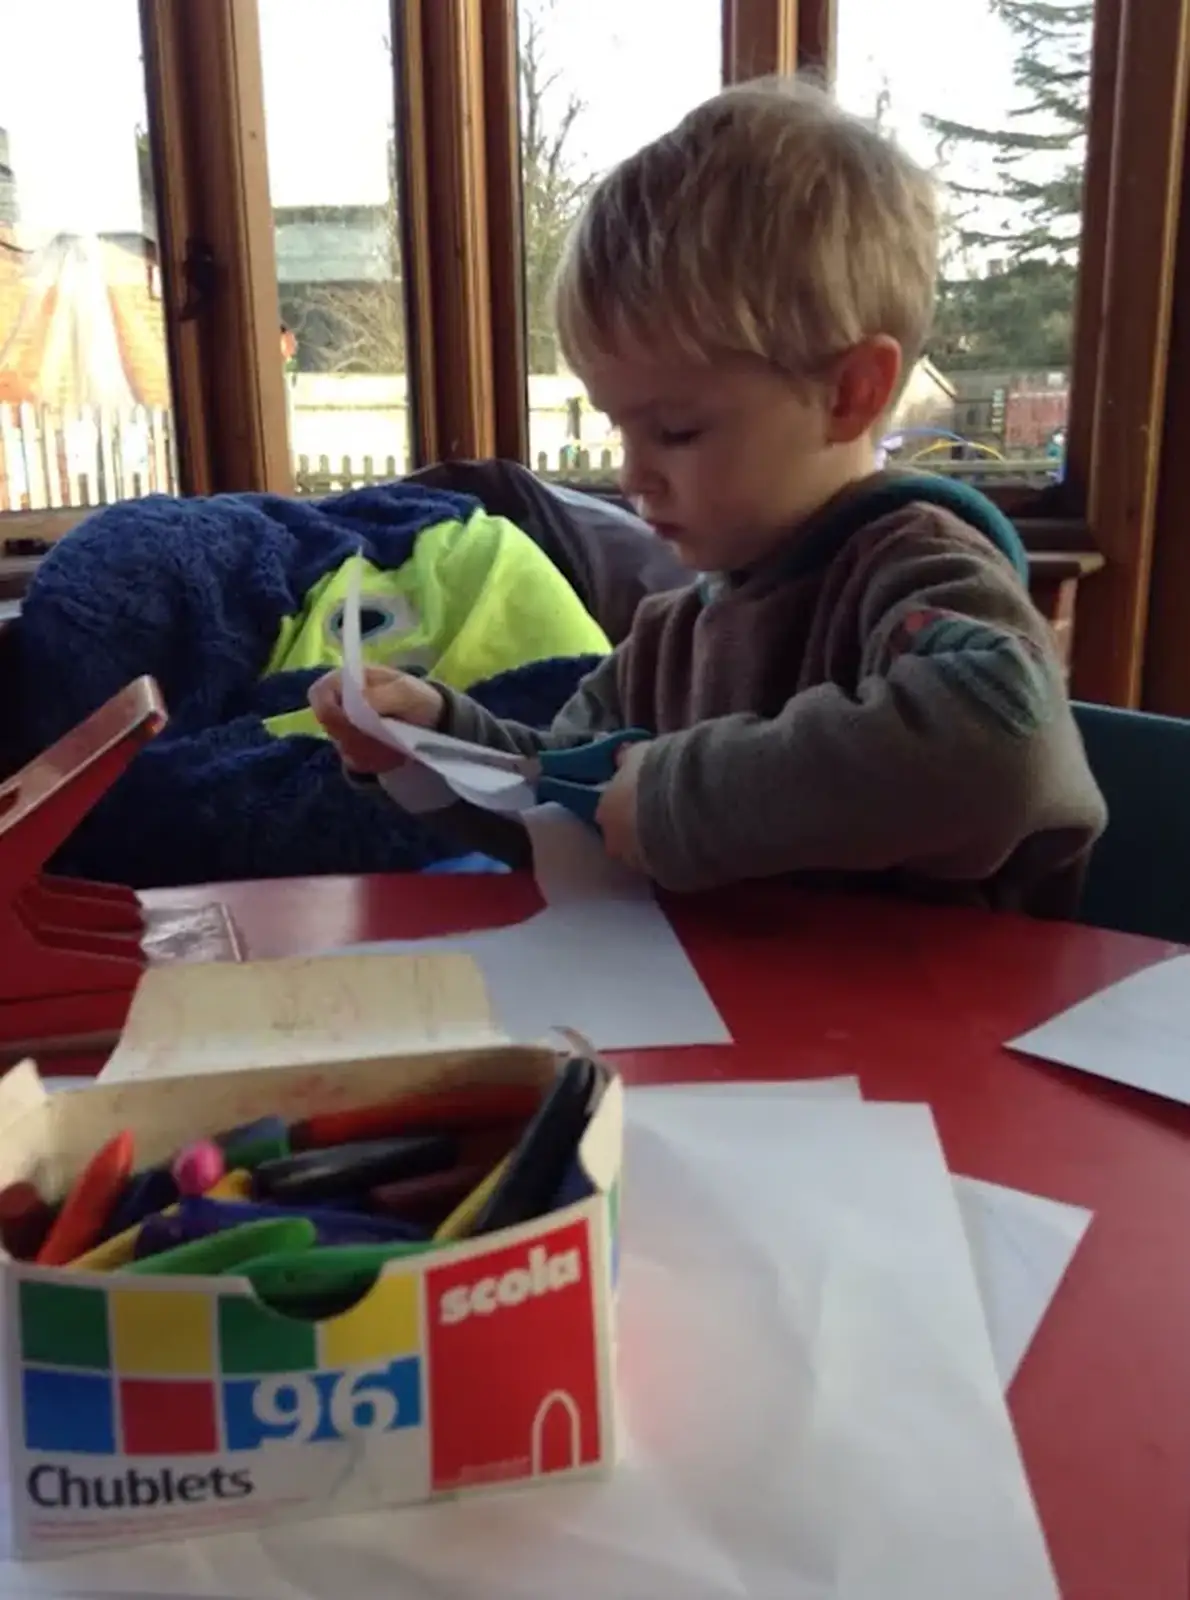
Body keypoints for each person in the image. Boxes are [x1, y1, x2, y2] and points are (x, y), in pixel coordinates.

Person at [310, 77, 1106, 915]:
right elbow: (570, 808)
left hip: (943, 1036)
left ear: (850, 394)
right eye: (623, 429)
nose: (632, 475)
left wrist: (681, 800)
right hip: (746, 1035)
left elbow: (1003, 743)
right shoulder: (668, 639)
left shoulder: (917, 571)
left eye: (678, 431)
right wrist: (429, 741)